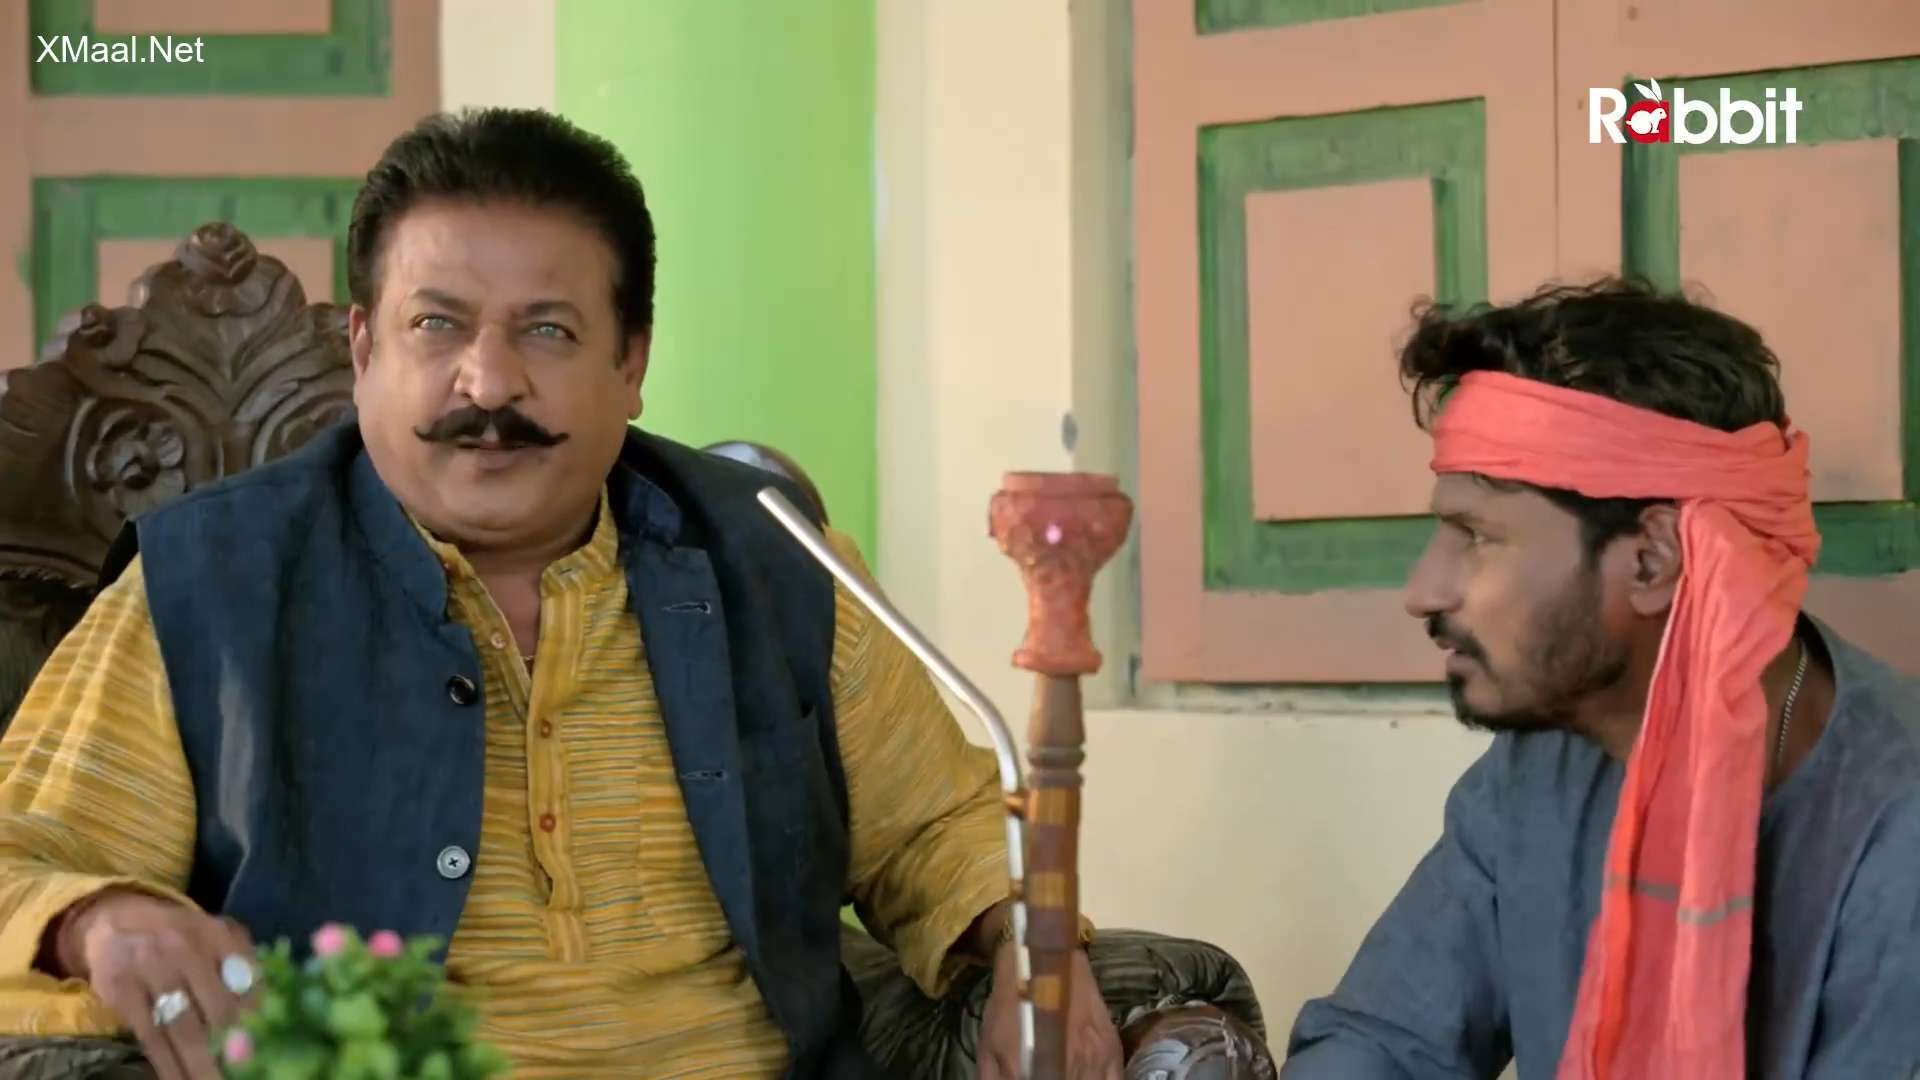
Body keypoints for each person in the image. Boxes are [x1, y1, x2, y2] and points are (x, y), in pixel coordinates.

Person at [0, 108, 1122, 1079]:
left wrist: (1028, 946)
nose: (489, 384)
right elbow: (20, 858)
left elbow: (944, 826)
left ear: (631, 364)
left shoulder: (774, 558)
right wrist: (98, 919)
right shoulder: (211, 583)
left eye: (548, 329)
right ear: (364, 350)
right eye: (436, 324)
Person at [1281, 279, 1920, 1079]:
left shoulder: (1899, 831)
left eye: (1476, 535)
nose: (1424, 590)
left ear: (1653, 560)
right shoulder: (1539, 764)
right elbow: (1384, 1041)